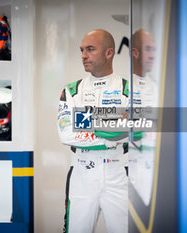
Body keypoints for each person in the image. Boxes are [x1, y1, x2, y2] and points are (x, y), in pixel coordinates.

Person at [57, 29, 128, 233]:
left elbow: (137, 129)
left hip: (119, 174)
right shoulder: (71, 90)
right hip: (81, 174)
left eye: (90, 49)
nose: (83, 56)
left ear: (109, 53)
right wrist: (112, 133)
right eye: (81, 50)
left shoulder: (129, 90)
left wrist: (84, 120)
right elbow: (66, 133)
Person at [129, 29, 158, 206]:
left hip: (153, 169)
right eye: (148, 49)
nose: (153, 55)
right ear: (135, 52)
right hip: (126, 169)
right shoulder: (122, 86)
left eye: (154, 49)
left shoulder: (158, 88)